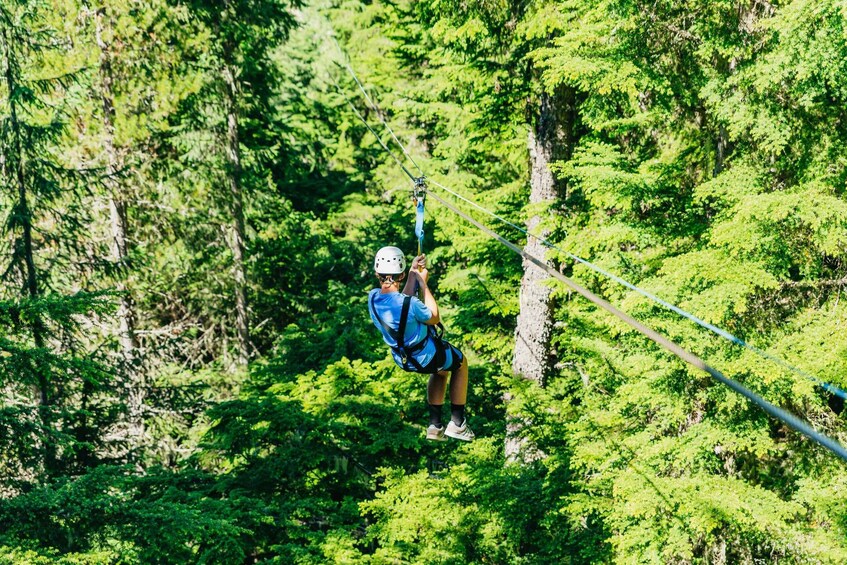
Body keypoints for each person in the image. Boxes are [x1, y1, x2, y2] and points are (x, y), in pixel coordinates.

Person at [368, 246, 474, 441]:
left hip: (403, 359)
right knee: (460, 363)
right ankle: (458, 423)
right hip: (426, 355)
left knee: (441, 372)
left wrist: (412, 275)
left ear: (377, 273)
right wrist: (423, 284)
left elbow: (402, 300)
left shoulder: (373, 298)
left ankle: (435, 426)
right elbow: (433, 317)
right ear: (399, 275)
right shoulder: (412, 305)